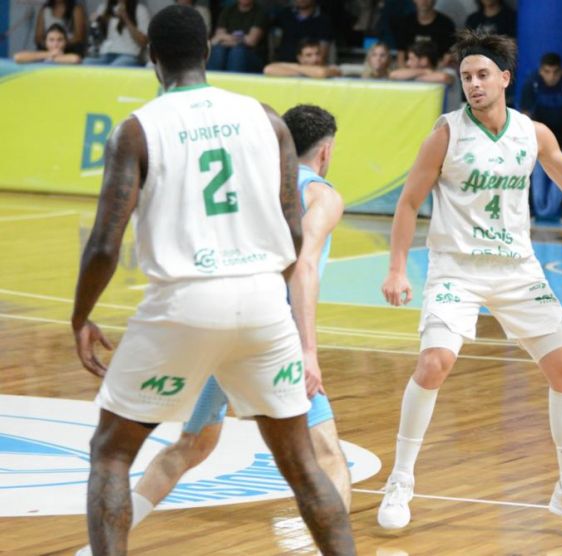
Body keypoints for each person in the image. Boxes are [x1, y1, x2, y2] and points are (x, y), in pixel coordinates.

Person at [70, 6, 354, 555]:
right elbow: (292, 231)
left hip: (186, 302)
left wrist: (81, 316)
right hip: (264, 301)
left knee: (111, 453)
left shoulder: (137, 129)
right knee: (304, 465)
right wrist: (266, 288)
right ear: (207, 51)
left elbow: (104, 245)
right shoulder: (266, 119)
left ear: (152, 57)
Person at [376, 29, 562, 531]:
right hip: (457, 267)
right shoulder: (446, 134)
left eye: (482, 75)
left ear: (505, 78)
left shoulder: (532, 133)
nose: (474, 84)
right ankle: (400, 480)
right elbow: (408, 202)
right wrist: (396, 268)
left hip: (516, 269)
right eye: (466, 76)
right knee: (434, 363)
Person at [519, 52, 562, 222]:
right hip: (540, 133)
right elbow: (525, 114)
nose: (551, 77)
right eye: (547, 72)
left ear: (561, 71)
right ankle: (529, 210)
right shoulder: (532, 83)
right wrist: (527, 140)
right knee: (529, 168)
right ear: (541, 71)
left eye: (555, 72)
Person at [389, 40, 459, 111]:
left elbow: (443, 78)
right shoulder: (419, 74)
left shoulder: (449, 72)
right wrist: (425, 71)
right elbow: (393, 75)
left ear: (424, 61)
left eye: (411, 59)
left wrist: (412, 77)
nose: (408, 63)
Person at [208, 0, 269, 73]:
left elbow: (252, 41)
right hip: (227, 52)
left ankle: (233, 80)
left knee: (237, 52)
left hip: (253, 56)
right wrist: (241, 39)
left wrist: (226, 38)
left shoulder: (260, 12)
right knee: (218, 50)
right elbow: (217, 38)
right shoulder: (228, 10)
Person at [392, 0, 455, 68]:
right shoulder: (405, 23)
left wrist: (431, 71)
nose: (424, 1)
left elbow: (448, 56)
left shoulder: (446, 24)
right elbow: (400, 55)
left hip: (438, 69)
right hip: (409, 68)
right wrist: (405, 71)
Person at [84, 0, 148, 66]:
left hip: (129, 55)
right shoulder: (104, 7)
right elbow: (96, 37)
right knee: (87, 62)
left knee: (116, 66)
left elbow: (143, 41)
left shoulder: (140, 10)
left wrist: (125, 17)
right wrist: (97, 21)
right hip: (106, 54)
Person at [264, 38, 342, 78]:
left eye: (317, 54)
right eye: (309, 55)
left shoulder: (333, 68)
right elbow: (268, 69)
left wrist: (295, 68)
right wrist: (301, 70)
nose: (315, 58)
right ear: (300, 58)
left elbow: (321, 73)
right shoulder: (298, 69)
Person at [15, 23, 82, 64]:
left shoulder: (70, 55)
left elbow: (75, 59)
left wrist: (52, 58)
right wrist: (48, 54)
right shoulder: (41, 56)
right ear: (45, 42)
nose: (55, 44)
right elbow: (18, 57)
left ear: (66, 42)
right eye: (51, 40)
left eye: (60, 40)